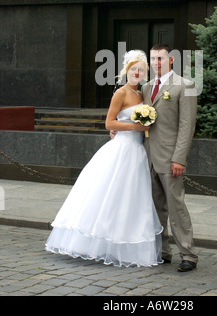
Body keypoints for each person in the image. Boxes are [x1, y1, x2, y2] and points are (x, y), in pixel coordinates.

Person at [45, 50, 163, 268]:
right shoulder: (121, 93)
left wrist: (142, 128)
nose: (137, 72)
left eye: (141, 70)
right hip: (122, 149)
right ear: (127, 71)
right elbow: (109, 123)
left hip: (139, 151)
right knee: (110, 195)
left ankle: (125, 244)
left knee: (131, 200)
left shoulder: (143, 94)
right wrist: (132, 127)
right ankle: (100, 243)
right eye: (134, 69)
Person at [142, 44, 198, 272]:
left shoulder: (186, 85)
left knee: (176, 207)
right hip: (148, 157)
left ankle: (188, 254)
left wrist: (179, 158)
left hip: (170, 157)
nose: (156, 63)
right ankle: (163, 252)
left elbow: (187, 126)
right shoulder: (146, 87)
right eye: (153, 59)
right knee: (156, 208)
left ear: (170, 60)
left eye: (160, 59)